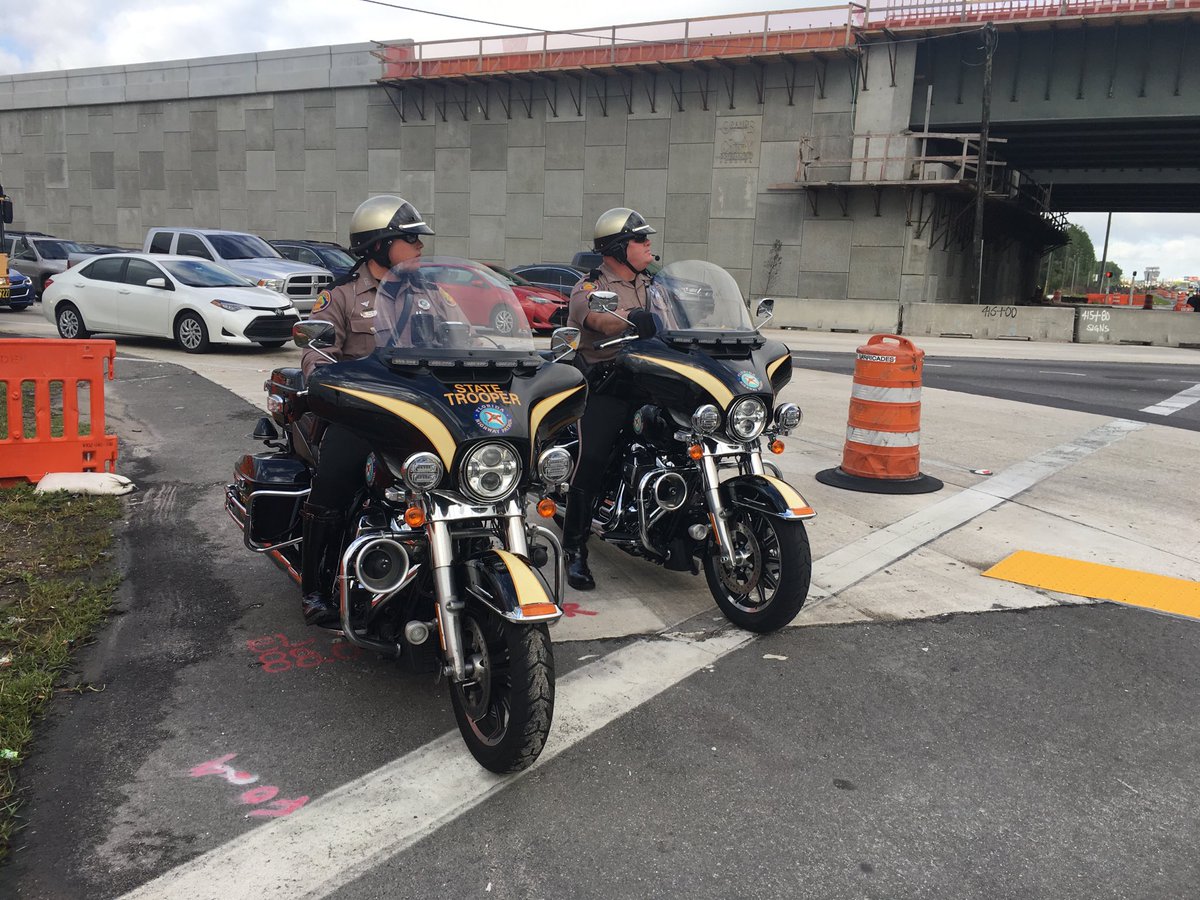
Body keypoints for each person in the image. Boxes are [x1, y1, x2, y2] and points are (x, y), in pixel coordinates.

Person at [297, 194, 452, 625]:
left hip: (423, 412)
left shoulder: (432, 295)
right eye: (410, 238)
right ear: (381, 245)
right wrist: (334, 380)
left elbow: (464, 341)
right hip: (362, 416)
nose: (420, 246)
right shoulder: (342, 296)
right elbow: (316, 353)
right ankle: (315, 587)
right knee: (334, 484)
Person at [561, 207, 665, 591]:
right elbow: (598, 318)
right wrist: (632, 317)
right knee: (591, 460)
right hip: (607, 383)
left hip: (651, 381)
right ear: (618, 249)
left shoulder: (655, 284)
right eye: (640, 239)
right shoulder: (589, 286)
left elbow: (679, 316)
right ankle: (574, 549)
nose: (648, 243)